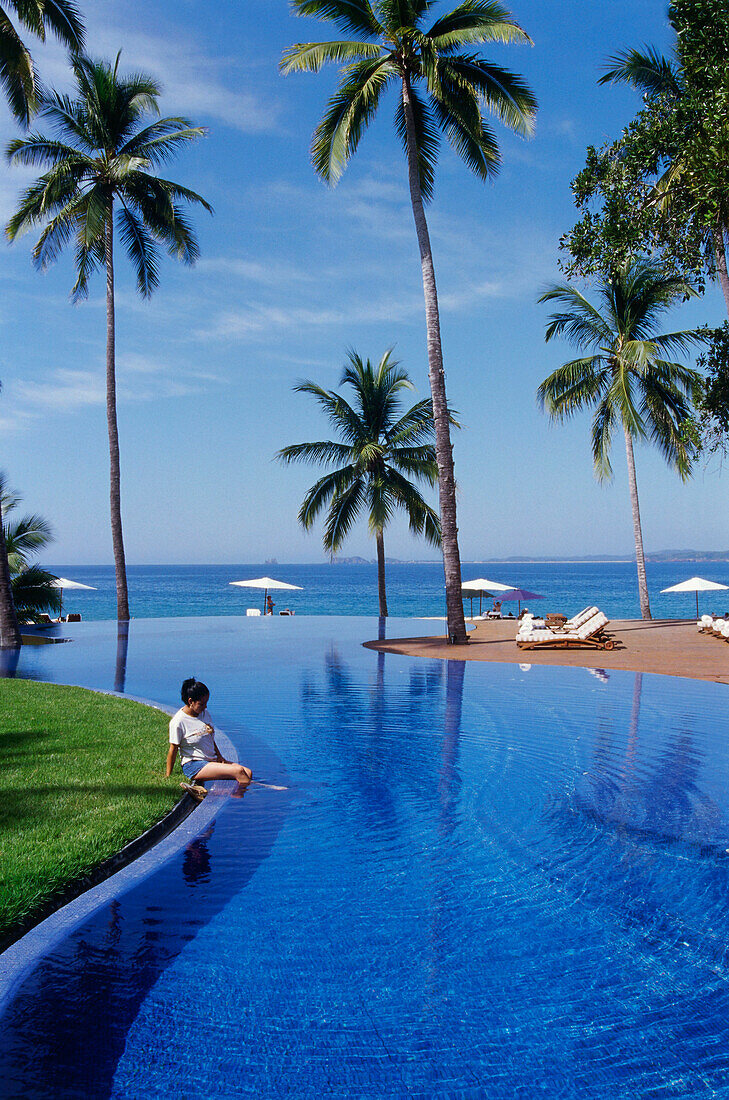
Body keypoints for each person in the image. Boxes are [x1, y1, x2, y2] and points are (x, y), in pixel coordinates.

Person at [167, 677, 253, 800]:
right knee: (238, 771)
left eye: (206, 702)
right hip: (194, 765)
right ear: (190, 701)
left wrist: (220, 756)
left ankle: (219, 793)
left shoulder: (204, 713)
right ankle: (249, 802)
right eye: (201, 704)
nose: (205, 707)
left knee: (248, 772)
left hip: (211, 760)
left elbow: (210, 737)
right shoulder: (178, 722)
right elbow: (173, 749)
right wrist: (168, 775)